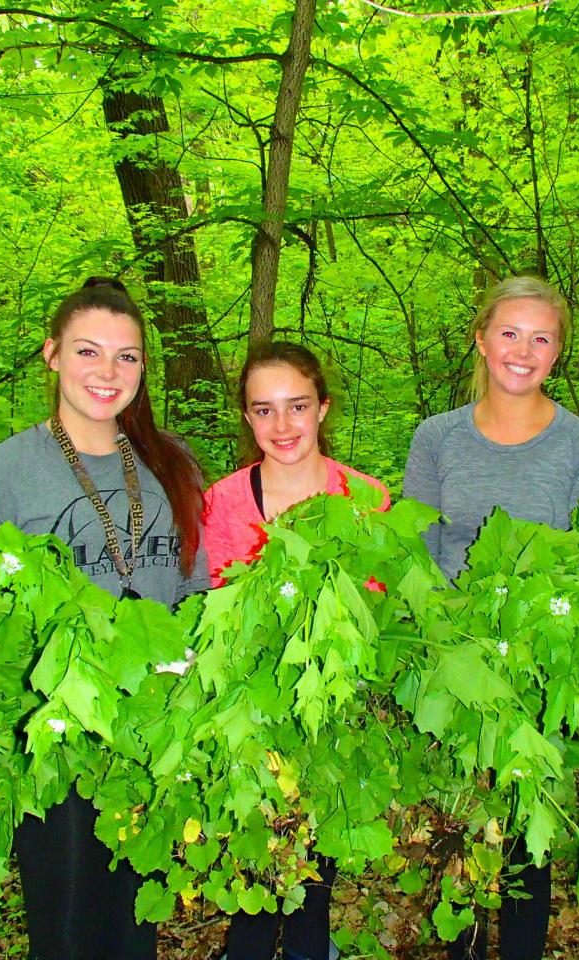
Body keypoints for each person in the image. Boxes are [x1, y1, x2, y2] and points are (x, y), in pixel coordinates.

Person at [0, 277, 208, 960]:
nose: (108, 373)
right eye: (89, 351)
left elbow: (196, 589)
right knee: (65, 925)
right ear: (52, 353)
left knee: (132, 924)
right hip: (52, 730)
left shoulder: (170, 463)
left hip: (148, 727)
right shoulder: (5, 472)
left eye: (128, 357)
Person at [404, 276, 579, 960]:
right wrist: (442, 644)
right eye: (509, 333)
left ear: (558, 353)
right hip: (458, 662)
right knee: (462, 832)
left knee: (531, 840)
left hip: (543, 668)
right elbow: (419, 551)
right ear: (480, 340)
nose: (523, 350)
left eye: (542, 337)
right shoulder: (436, 438)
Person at [204, 340, 388, 960]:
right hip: (254, 710)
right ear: (247, 417)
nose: (282, 426)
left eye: (297, 406)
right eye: (263, 410)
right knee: (258, 865)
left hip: (337, 709)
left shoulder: (365, 497)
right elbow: (218, 606)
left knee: (317, 877)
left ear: (323, 409)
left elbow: (377, 604)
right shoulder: (226, 500)